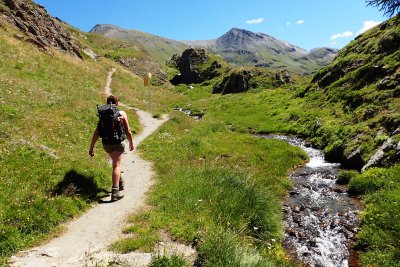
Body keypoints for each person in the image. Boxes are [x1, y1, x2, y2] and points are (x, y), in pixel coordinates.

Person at [89, 95, 134, 201]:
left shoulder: (103, 115)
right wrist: (131, 142)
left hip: (106, 144)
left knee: (115, 162)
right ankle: (115, 192)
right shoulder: (122, 113)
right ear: (116, 103)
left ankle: (119, 182)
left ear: (107, 103)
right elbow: (128, 130)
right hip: (118, 143)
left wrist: (91, 147)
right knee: (116, 165)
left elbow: (97, 133)